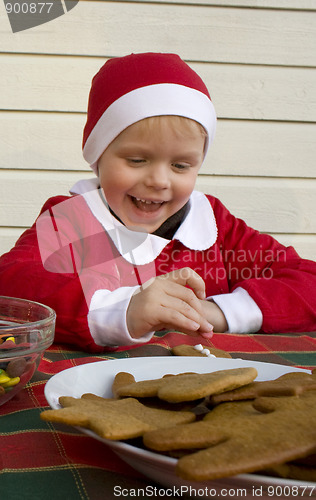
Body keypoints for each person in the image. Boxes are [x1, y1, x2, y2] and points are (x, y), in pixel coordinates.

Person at [0, 52, 315, 352]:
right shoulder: (71, 219)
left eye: (180, 166)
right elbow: (12, 285)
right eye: (137, 160)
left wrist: (216, 311)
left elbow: (307, 282)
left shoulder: (218, 227)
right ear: (98, 157)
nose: (160, 180)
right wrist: (124, 311)